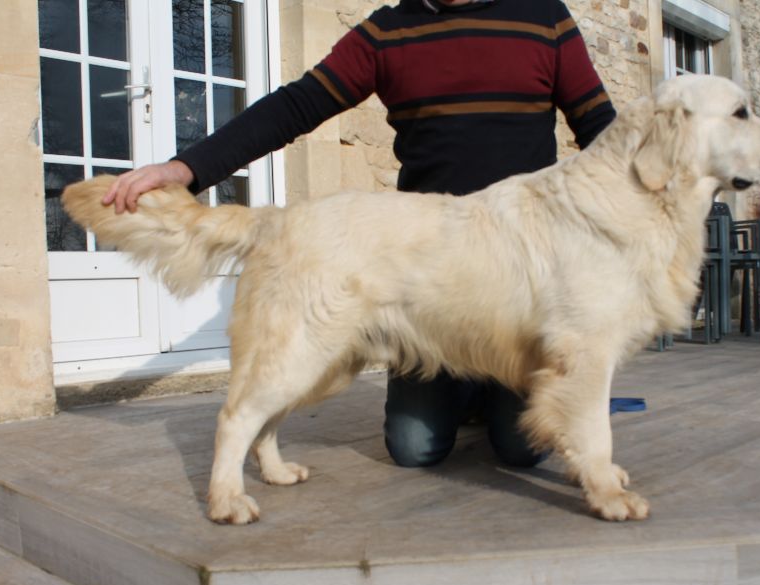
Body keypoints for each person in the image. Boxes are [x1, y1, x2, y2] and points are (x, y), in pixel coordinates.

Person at [102, 0, 617, 471]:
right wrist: (186, 168)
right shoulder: (387, 32)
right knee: (413, 449)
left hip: (520, 279)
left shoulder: (544, 17)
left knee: (524, 449)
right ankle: (462, 388)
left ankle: (485, 393)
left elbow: (602, 131)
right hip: (424, 281)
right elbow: (295, 105)